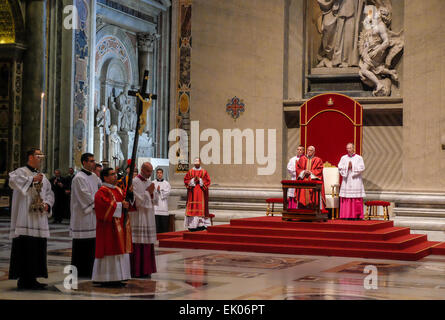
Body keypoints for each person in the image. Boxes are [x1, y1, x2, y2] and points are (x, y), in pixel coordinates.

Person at [8, 148, 54, 290]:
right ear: (30, 157)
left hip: (39, 218)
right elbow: (12, 181)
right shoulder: (20, 172)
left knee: (37, 248)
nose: (41, 158)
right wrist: (31, 179)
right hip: (25, 218)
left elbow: (50, 193)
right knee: (25, 247)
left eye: (42, 155)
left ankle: (33, 278)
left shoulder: (43, 176)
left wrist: (47, 204)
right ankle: (23, 279)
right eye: (38, 155)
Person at [92, 167, 132, 287]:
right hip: (108, 228)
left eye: (115, 174)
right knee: (110, 251)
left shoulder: (118, 190)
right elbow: (102, 206)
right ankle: (107, 278)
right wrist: (120, 205)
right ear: (105, 177)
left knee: (119, 251)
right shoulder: (102, 191)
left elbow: (127, 202)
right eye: (112, 174)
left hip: (119, 226)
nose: (115, 176)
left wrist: (130, 194)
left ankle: (119, 277)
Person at [70, 153, 100, 278]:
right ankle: (79, 271)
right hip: (82, 216)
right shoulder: (78, 178)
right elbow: (85, 196)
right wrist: (99, 204)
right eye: (91, 161)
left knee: (91, 246)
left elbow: (100, 190)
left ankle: (90, 270)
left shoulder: (94, 176)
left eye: (94, 160)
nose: (94, 163)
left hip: (93, 216)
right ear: (84, 162)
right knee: (80, 246)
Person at [130, 162, 159, 278]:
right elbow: (138, 201)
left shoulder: (149, 182)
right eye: (148, 171)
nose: (149, 174)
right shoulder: (135, 182)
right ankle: (137, 270)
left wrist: (152, 194)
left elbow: (156, 200)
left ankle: (147, 269)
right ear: (142, 169)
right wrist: (148, 192)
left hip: (148, 216)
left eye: (151, 171)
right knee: (138, 242)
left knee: (147, 243)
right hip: (139, 216)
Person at [338, 143, 366, 220]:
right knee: (346, 197)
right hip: (346, 179)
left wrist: (352, 166)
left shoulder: (359, 158)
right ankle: (345, 215)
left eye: (350, 148)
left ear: (354, 148)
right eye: (347, 148)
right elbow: (339, 167)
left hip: (355, 180)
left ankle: (356, 215)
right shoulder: (343, 158)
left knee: (355, 197)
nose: (348, 150)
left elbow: (362, 167)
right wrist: (347, 166)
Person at [184, 158, 211, 231]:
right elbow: (186, 180)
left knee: (200, 210)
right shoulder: (190, 172)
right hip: (192, 194)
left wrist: (200, 180)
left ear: (200, 163)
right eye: (195, 162)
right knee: (193, 210)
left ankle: (201, 225)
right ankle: (192, 225)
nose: (196, 163)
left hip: (201, 194)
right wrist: (192, 180)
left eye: (198, 162)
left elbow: (208, 181)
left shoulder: (204, 172)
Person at [153, 168, 171, 233]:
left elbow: (168, 193)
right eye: (158, 173)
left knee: (164, 227)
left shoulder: (167, 183)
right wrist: (156, 191)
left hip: (163, 207)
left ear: (162, 174)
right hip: (155, 208)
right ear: (156, 174)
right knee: (156, 227)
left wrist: (160, 191)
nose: (159, 174)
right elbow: (150, 193)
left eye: (160, 173)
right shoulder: (152, 183)